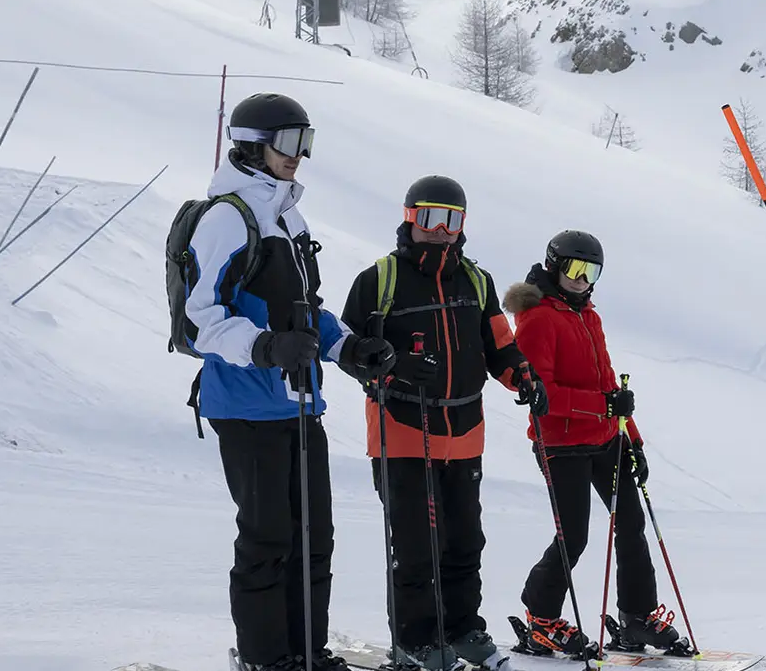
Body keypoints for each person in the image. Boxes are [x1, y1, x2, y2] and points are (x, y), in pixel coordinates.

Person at [183, 92, 398, 671]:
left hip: (299, 404)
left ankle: (306, 651)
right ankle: (263, 657)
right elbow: (201, 319)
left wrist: (348, 347)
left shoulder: (286, 215)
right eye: (288, 142)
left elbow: (305, 310)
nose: (298, 154)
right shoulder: (227, 218)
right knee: (267, 538)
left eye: (306, 142)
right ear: (253, 145)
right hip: (246, 407)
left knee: (313, 539)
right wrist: (263, 346)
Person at [340, 175, 548, 671]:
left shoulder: (476, 281)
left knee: (464, 541)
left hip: (465, 431)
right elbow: (347, 349)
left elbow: (499, 345)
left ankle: (462, 629)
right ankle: (415, 639)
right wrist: (390, 366)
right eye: (431, 218)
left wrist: (522, 376)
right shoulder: (380, 279)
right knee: (416, 545)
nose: (441, 230)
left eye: (451, 221)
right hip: (403, 430)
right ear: (410, 218)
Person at [508, 231, 690, 658]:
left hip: (608, 440)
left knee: (632, 523)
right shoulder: (538, 318)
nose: (582, 279)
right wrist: (603, 406)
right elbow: (542, 395)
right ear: (554, 266)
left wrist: (633, 439)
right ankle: (541, 617)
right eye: (575, 269)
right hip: (561, 444)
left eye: (592, 272)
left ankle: (637, 616)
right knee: (574, 536)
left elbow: (610, 387)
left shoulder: (589, 316)